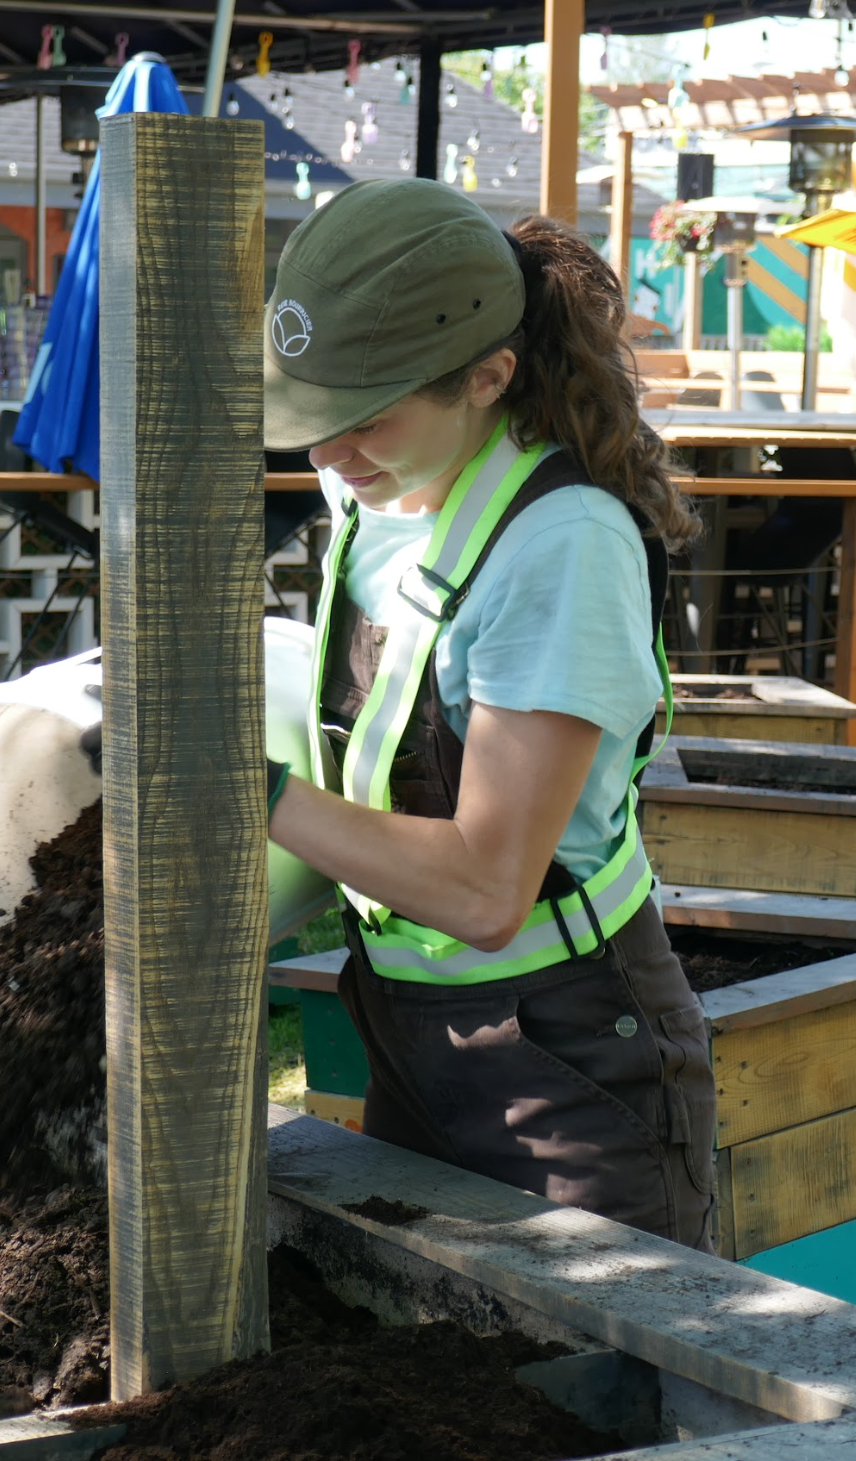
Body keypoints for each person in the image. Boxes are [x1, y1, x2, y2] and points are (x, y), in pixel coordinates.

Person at [263, 180, 717, 1251]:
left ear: (489, 377)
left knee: (608, 1396)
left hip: (564, 1050)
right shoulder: (379, 485)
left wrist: (247, 790)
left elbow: (482, 890)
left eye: (363, 418)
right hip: (402, 1017)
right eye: (310, 420)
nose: (327, 456)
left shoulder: (561, 545)